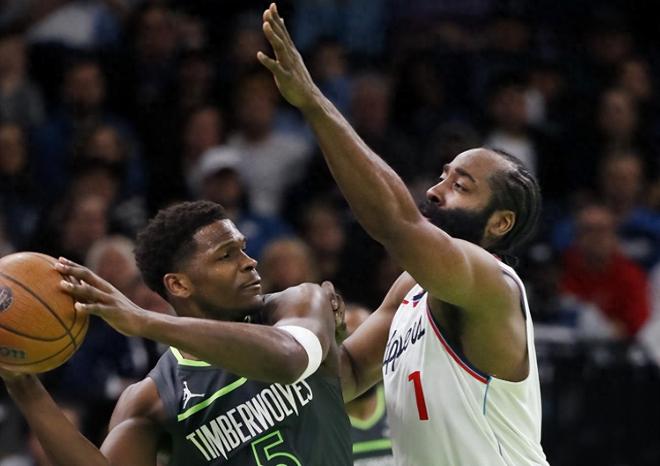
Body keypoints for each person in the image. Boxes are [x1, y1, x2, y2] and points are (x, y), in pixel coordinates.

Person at [257, 4, 547, 465]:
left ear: (499, 222)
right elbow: (350, 373)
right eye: (443, 176)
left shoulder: (491, 284)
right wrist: (320, 339)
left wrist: (313, 102)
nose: (434, 191)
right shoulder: (411, 287)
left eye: (460, 186)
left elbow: (394, 222)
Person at [0, 200, 352, 466]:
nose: (249, 261)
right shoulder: (151, 398)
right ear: (179, 285)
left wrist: (145, 321)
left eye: (243, 248)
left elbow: (290, 359)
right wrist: (23, 385)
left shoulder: (297, 302)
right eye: (227, 255)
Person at [344, 304, 393, 465]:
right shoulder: (318, 420)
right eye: (350, 341)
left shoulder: (404, 402)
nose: (361, 353)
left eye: (369, 341)